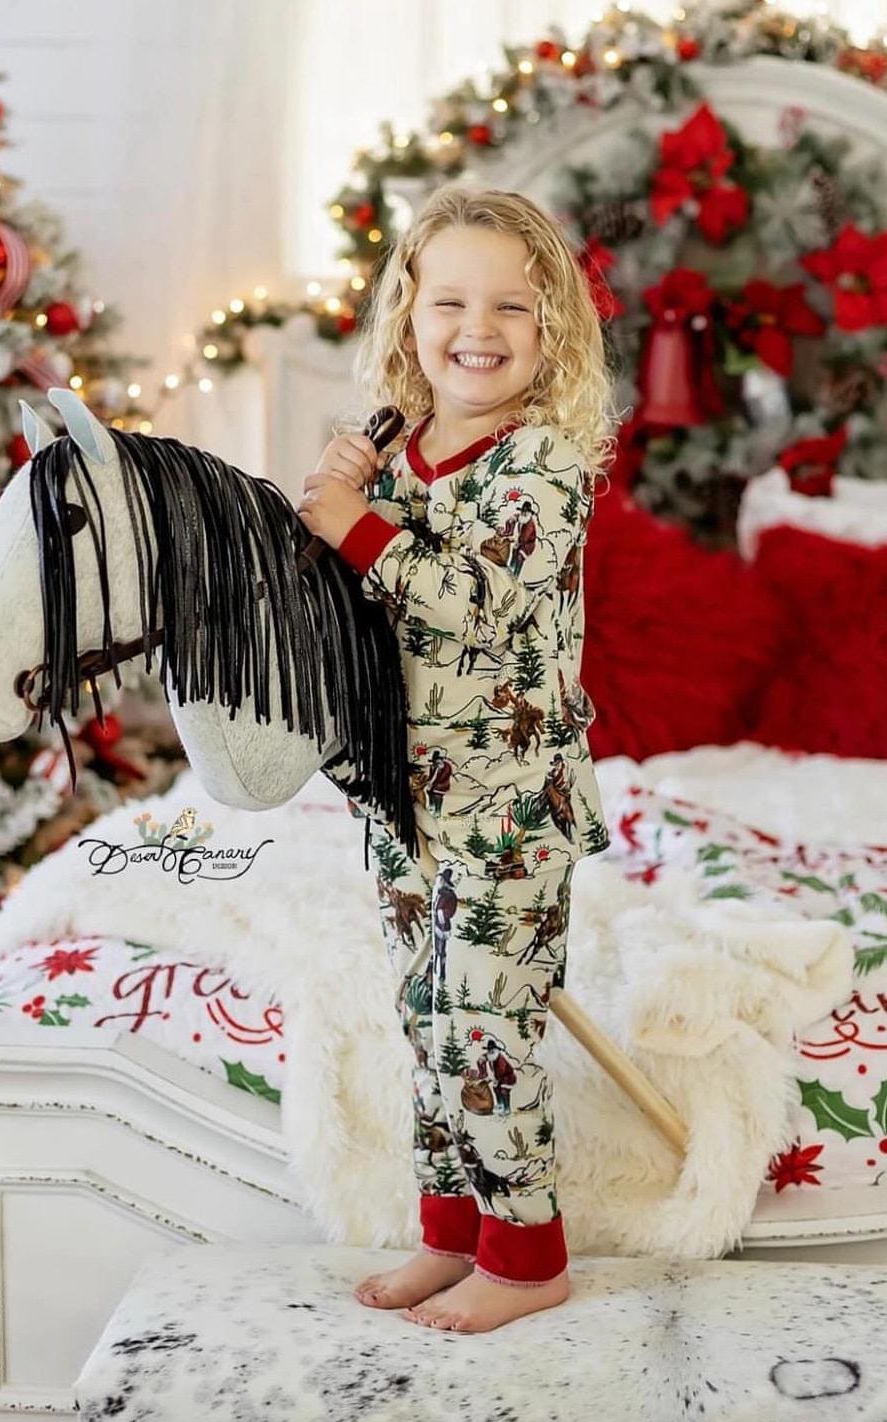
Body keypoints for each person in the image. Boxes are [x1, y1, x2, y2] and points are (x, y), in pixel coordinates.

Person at [297, 184, 617, 1334]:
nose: (476, 329)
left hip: (506, 800)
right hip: (402, 792)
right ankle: (455, 1232)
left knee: (489, 1020)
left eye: (512, 310)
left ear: (553, 335)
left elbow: (468, 603)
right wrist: (337, 504)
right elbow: (349, 601)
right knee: (427, 1017)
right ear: (408, 315)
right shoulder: (391, 448)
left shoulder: (546, 463)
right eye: (449, 301)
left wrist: (351, 521)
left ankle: (530, 1254)